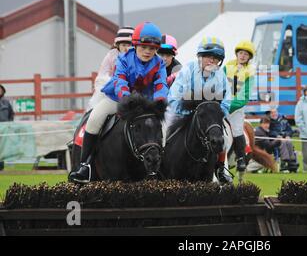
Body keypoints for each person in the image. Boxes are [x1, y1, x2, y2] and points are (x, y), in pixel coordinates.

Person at [69, 22, 169, 183]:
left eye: (152, 48)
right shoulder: (123, 59)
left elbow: (161, 84)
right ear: (135, 45)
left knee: (164, 127)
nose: (148, 52)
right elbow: (120, 81)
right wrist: (127, 99)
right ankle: (84, 166)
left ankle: (160, 167)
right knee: (95, 118)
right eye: (144, 47)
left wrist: (159, 101)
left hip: (146, 104)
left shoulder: (159, 63)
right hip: (119, 99)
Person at [167, 36, 231, 183]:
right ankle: (156, 166)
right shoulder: (188, 70)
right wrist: (189, 113)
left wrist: (215, 115)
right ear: (200, 57)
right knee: (163, 131)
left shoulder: (221, 74)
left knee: (224, 137)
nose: (212, 61)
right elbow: (173, 97)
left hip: (209, 118)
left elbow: (226, 101)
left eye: (216, 58)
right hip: (181, 113)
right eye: (208, 56)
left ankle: (220, 169)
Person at [224, 40, 256, 173]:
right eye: (241, 53)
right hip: (222, 103)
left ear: (249, 57)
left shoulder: (250, 72)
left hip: (236, 107)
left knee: (237, 130)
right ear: (237, 54)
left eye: (246, 54)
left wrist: (229, 106)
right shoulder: (227, 66)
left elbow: (244, 96)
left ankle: (241, 158)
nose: (242, 56)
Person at [88, 26, 134, 109]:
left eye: (129, 45)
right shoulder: (111, 56)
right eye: (123, 45)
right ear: (118, 45)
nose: (126, 48)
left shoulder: (139, 58)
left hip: (135, 96)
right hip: (113, 95)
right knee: (94, 119)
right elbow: (102, 77)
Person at [269, 108, 299, 173]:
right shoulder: (269, 122)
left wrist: (287, 135)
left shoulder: (284, 120)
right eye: (272, 113)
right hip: (275, 140)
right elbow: (270, 132)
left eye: (275, 112)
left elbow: (290, 130)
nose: (274, 114)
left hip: (284, 138)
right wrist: (277, 135)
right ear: (270, 114)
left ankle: (292, 160)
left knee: (288, 141)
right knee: (283, 141)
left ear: (277, 112)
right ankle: (285, 160)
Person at [0, 84, 14, 171]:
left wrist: (9, 125)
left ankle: (1, 167)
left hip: (4, 129)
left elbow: (11, 114)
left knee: (2, 149)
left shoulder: (6, 102)